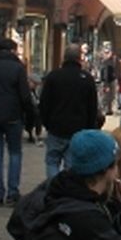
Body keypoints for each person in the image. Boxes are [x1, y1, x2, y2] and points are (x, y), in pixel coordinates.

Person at [0, 38, 35, 206]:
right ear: (12, 51)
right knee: (15, 153)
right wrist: (29, 116)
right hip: (13, 116)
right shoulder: (17, 68)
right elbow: (25, 95)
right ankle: (13, 192)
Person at [39, 46, 100, 178]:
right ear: (79, 59)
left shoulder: (53, 76)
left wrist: (47, 123)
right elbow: (92, 106)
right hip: (78, 128)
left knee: (52, 161)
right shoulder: (87, 78)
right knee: (71, 164)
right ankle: (68, 187)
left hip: (56, 127)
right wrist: (89, 127)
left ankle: (53, 186)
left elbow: (44, 103)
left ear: (64, 58)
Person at [97, 44, 121, 116]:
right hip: (105, 81)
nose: (107, 54)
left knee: (113, 95)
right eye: (105, 52)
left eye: (108, 52)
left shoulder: (114, 60)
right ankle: (105, 110)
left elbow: (118, 70)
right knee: (105, 96)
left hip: (113, 80)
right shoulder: (102, 61)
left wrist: (118, 78)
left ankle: (111, 109)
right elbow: (102, 72)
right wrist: (105, 83)